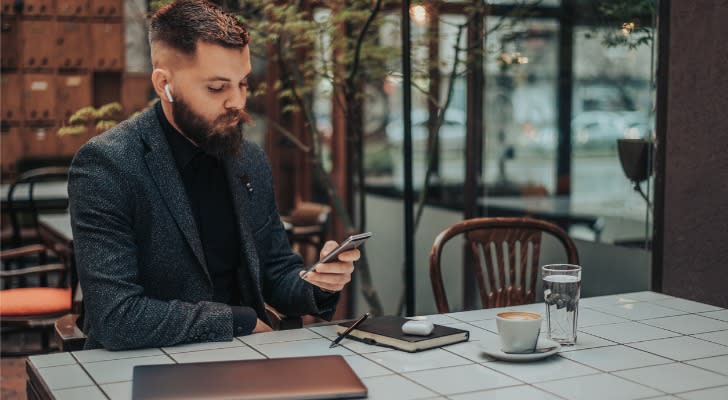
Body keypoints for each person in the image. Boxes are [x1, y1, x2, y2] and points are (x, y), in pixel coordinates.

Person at [68, 0, 358, 350]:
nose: (237, 102)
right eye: (217, 88)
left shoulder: (248, 159)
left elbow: (275, 273)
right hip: (142, 366)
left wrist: (318, 283)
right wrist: (241, 321)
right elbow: (116, 317)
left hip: (243, 358)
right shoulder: (108, 164)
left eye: (244, 84)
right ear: (164, 85)